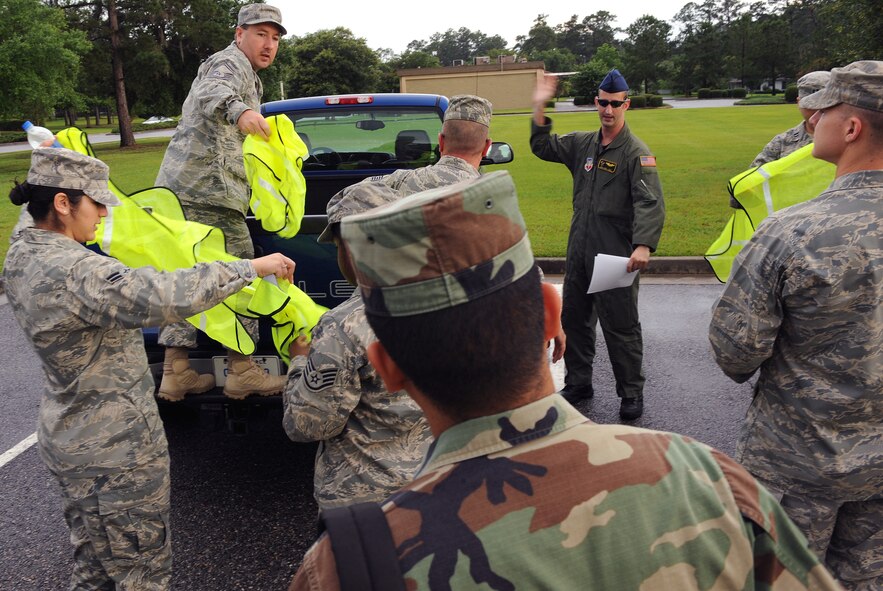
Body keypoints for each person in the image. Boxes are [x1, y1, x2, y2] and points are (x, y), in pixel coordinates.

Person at [288, 171, 840, 591]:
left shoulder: (346, 566)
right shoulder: (709, 480)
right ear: (552, 316)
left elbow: (307, 421)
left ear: (386, 367)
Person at [3, 148, 295, 590]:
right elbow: (163, 295)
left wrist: (46, 165)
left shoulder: (23, 251)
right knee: (141, 574)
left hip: (71, 438)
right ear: (62, 204)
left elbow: (33, 216)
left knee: (95, 569)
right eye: (95, 202)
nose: (103, 212)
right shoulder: (73, 270)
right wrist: (249, 267)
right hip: (114, 452)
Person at [709, 60, 883, 590]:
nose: (813, 121)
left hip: (794, 465)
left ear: (851, 128)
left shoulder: (791, 231)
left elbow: (734, 352)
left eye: (824, 110)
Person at [154, 4, 288, 401]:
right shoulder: (227, 63)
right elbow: (217, 90)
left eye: (275, 38)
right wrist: (240, 110)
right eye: (261, 34)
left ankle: (175, 371)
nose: (269, 44)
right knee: (244, 272)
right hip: (205, 193)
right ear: (239, 34)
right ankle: (242, 371)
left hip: (191, 192)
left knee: (185, 274)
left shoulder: (248, 73)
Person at [281, 183, 433, 511]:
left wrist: (298, 364)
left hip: (366, 505)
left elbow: (308, 424)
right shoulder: (448, 301)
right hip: (439, 488)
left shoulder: (345, 325)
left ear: (350, 248)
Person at [530, 69, 665, 420]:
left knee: (620, 327)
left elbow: (649, 202)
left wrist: (643, 245)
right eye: (603, 103)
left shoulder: (636, 153)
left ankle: (631, 393)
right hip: (580, 250)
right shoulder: (583, 144)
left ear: (626, 105)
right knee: (575, 320)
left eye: (615, 104)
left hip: (614, 256)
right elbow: (543, 146)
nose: (608, 110)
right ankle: (579, 382)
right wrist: (540, 104)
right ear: (596, 103)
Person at [367, 94, 493, 196]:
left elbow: (354, 193)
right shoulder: (491, 196)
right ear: (486, 147)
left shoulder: (399, 181)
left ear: (441, 142)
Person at [750, 70, 832, 167]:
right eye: (811, 104)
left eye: (825, 104)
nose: (817, 109)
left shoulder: (849, 141)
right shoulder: (781, 143)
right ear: (799, 102)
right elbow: (754, 176)